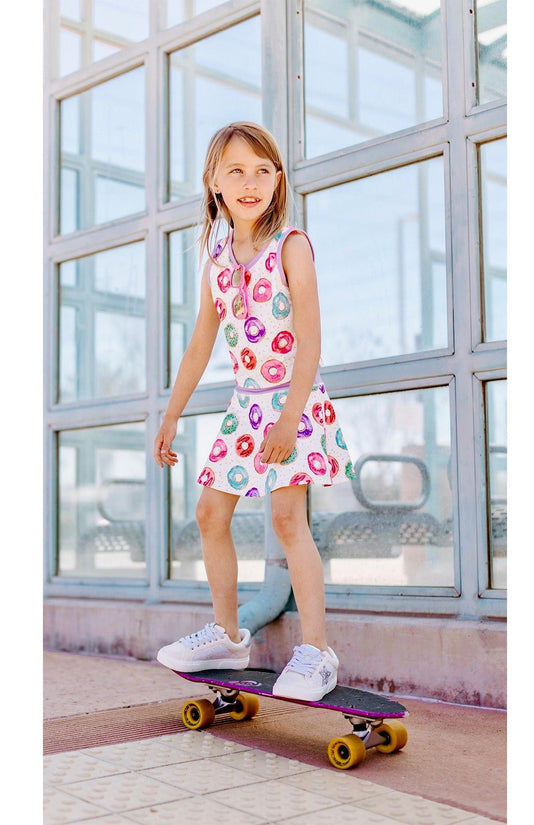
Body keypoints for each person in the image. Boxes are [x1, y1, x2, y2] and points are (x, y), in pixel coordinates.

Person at [154, 121, 355, 701]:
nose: (250, 183)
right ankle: (226, 636)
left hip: (293, 400)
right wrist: (171, 415)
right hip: (245, 407)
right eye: (236, 171)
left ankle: (316, 653)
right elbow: (200, 345)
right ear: (214, 183)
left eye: (262, 171)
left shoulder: (291, 245)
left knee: (289, 521)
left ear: (278, 180)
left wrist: (289, 420)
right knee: (208, 513)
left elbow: (310, 339)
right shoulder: (217, 259)